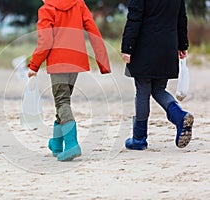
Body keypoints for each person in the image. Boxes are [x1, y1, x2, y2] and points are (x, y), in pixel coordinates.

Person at [28, 0, 111, 161]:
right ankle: (57, 144)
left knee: (62, 102)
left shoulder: (46, 9)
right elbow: (93, 30)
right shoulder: (79, 3)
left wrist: (34, 66)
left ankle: (72, 144)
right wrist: (103, 62)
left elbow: (45, 41)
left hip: (58, 61)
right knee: (64, 100)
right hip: (76, 60)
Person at [121, 0, 194, 150]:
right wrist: (182, 44)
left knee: (143, 90)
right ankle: (180, 116)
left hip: (144, 47)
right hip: (167, 47)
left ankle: (139, 138)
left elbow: (134, 18)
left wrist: (127, 47)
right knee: (159, 89)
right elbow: (181, 19)